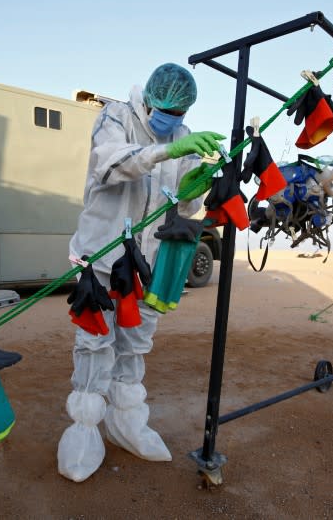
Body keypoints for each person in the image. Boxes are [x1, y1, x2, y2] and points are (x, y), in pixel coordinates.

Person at [58, 62, 225, 482]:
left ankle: (127, 421)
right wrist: (164, 152)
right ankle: (84, 432)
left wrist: (199, 182)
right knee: (96, 344)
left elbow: (184, 207)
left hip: (147, 264)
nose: (173, 121)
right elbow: (109, 167)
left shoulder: (184, 138)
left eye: (180, 114)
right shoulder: (116, 117)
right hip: (102, 259)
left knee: (134, 346)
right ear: (149, 101)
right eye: (167, 111)